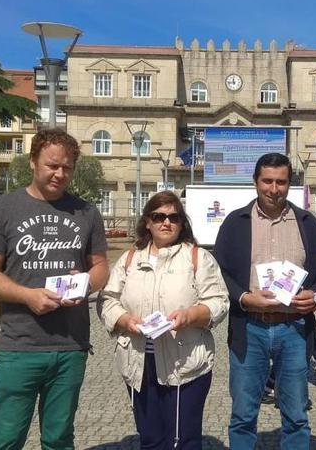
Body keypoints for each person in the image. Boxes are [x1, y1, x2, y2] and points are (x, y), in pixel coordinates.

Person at [0, 128, 110, 449]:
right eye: (52, 165)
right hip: (20, 344)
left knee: (59, 438)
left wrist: (86, 283)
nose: (59, 174)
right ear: (33, 162)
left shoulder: (86, 212)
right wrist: (27, 296)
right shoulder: (4, 209)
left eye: (67, 167)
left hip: (71, 345)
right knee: (6, 438)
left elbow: (102, 266)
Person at [213, 152, 316, 450]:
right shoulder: (235, 222)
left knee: (296, 415)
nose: (273, 188)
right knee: (243, 414)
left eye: (281, 182)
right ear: (255, 182)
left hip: (294, 329)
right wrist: (244, 297)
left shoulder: (307, 222)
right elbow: (219, 272)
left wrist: (314, 294)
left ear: (289, 184)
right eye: (267, 181)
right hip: (249, 328)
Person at [98, 191, 229, 449]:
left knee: (184, 439)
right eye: (158, 216)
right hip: (139, 363)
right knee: (151, 438)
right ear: (148, 221)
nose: (166, 223)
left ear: (182, 223)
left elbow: (219, 301)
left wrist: (190, 316)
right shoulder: (130, 259)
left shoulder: (198, 258)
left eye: (173, 217)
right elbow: (107, 300)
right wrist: (124, 320)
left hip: (185, 362)